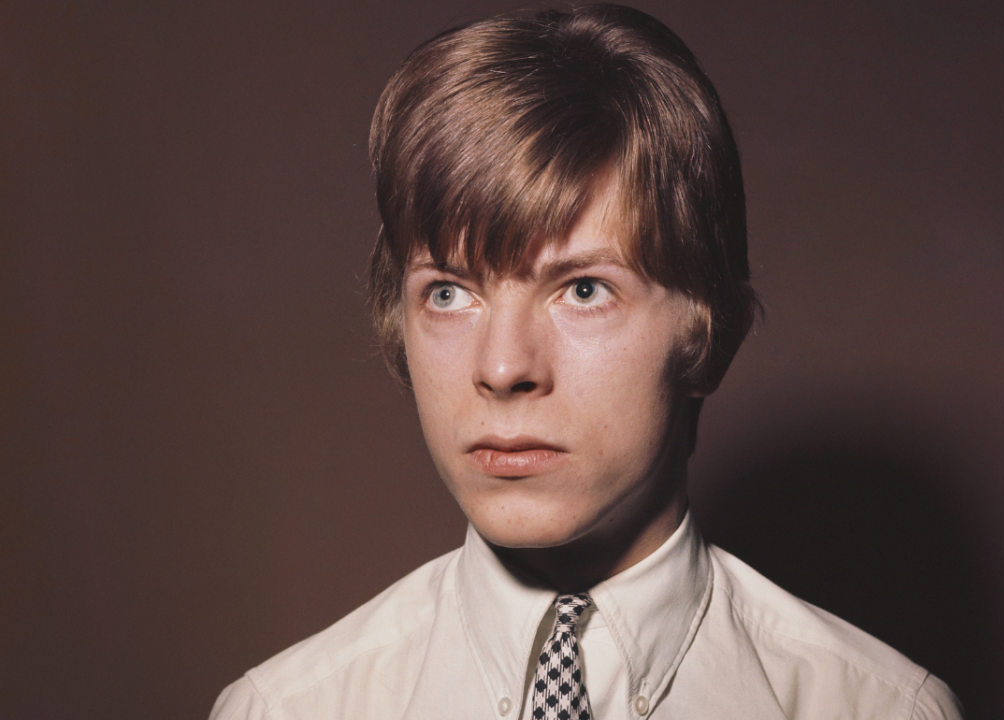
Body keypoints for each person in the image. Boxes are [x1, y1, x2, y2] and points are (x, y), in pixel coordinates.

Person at [209, 5, 962, 719]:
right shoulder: (285, 709)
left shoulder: (880, 708)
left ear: (711, 333)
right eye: (447, 293)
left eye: (583, 288)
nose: (503, 368)